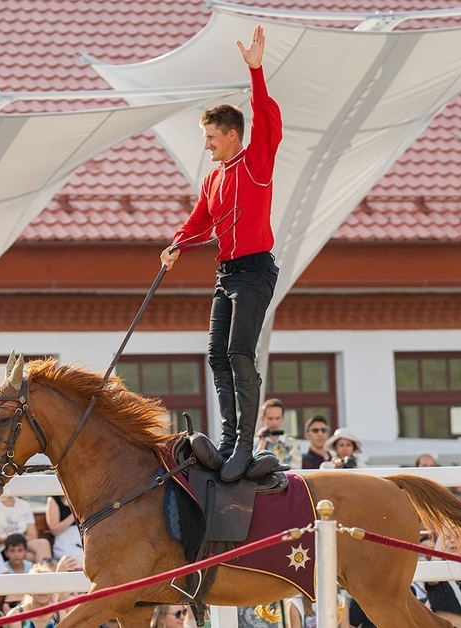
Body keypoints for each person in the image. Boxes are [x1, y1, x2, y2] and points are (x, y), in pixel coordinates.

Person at [159, 24, 283, 483]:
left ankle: (244, 446)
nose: (206, 144)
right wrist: (176, 244)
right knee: (215, 355)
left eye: (211, 137)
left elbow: (268, 118)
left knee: (239, 354)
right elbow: (199, 223)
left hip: (254, 270)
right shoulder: (213, 179)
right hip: (226, 273)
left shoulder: (255, 161)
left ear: (232, 135)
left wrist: (256, 71)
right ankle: (229, 439)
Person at [0, 493, 50, 563]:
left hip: (21, 544)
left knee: (43, 543)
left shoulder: (24, 505)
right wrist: (10, 540)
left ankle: (44, 571)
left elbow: (32, 535)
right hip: (2, 546)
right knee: (31, 557)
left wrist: (18, 540)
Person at [254, 400, 300, 470]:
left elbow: (297, 469)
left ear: (283, 418)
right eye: (270, 418)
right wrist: (262, 442)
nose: (274, 422)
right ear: (263, 418)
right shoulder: (253, 443)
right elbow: (254, 468)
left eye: (277, 418)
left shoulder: (292, 443)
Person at [43, 496, 82, 561]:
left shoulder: (82, 497)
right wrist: (74, 515)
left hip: (83, 535)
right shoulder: (54, 500)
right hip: (64, 540)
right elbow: (55, 530)